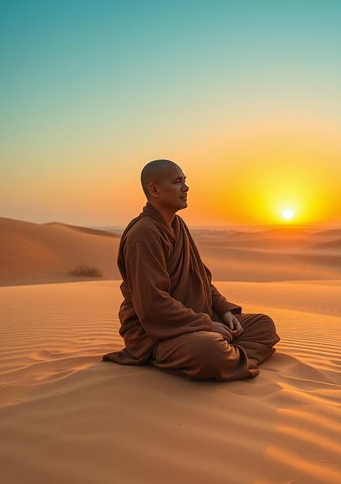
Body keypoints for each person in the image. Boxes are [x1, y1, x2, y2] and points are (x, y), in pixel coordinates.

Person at [102, 159, 280, 381]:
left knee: (264, 325)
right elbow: (152, 304)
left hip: (196, 320)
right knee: (210, 351)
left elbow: (202, 279)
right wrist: (208, 325)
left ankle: (229, 358)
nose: (186, 188)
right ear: (154, 189)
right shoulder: (144, 234)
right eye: (177, 182)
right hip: (157, 334)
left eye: (185, 181)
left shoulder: (178, 225)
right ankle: (212, 357)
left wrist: (224, 311)